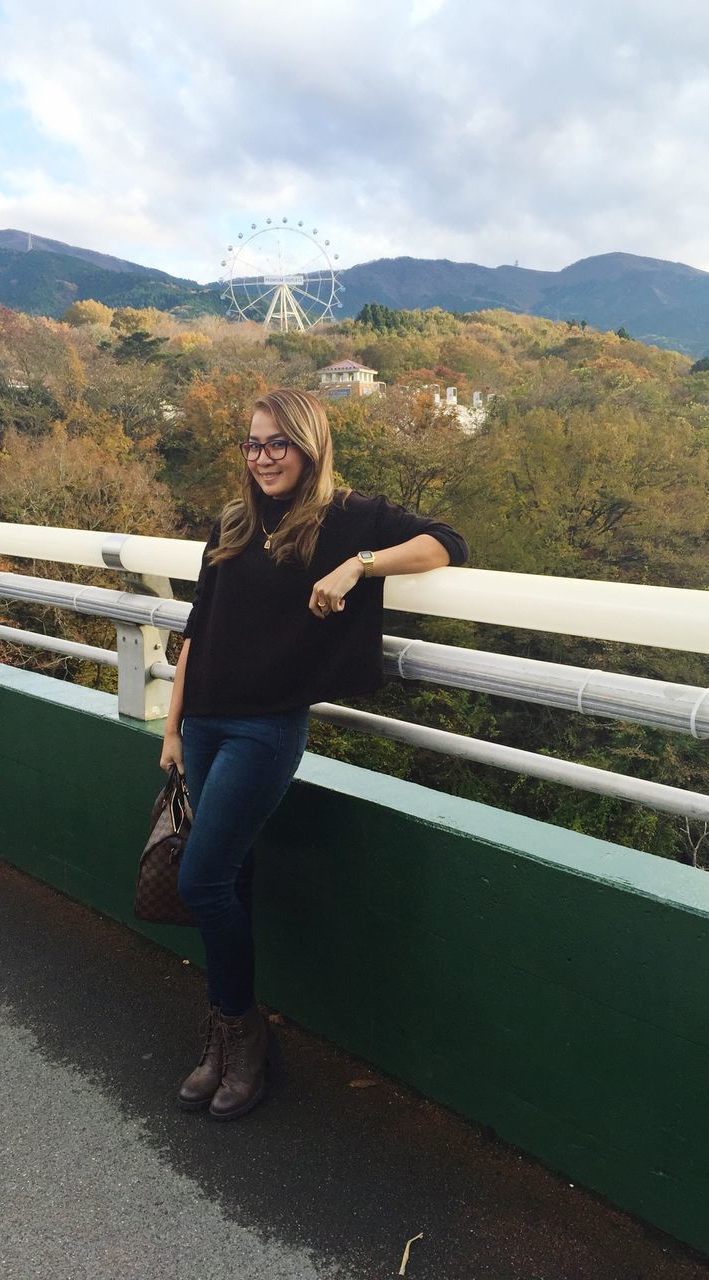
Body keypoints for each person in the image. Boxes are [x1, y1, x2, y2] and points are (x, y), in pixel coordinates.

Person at [160, 387, 468, 1121]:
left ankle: (245, 1033)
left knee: (201, 880)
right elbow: (197, 630)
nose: (264, 458)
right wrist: (171, 729)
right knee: (227, 881)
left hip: (263, 730)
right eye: (254, 444)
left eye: (279, 444)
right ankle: (225, 1044)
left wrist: (360, 564)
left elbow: (446, 542)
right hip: (202, 722)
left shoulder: (345, 518)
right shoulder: (232, 521)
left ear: (309, 446)